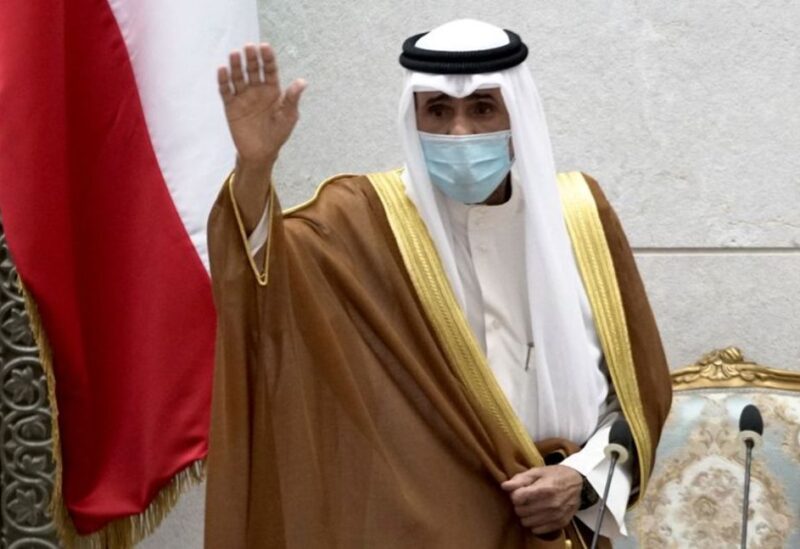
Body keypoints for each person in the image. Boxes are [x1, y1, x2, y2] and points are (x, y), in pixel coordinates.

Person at [204, 19, 671, 549]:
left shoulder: (580, 216)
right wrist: (254, 169)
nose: (460, 133)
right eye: (439, 111)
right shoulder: (362, 219)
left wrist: (583, 480)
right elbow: (261, 288)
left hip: (562, 526)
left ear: (518, 115)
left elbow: (639, 394)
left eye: (482, 109)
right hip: (421, 523)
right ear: (414, 118)